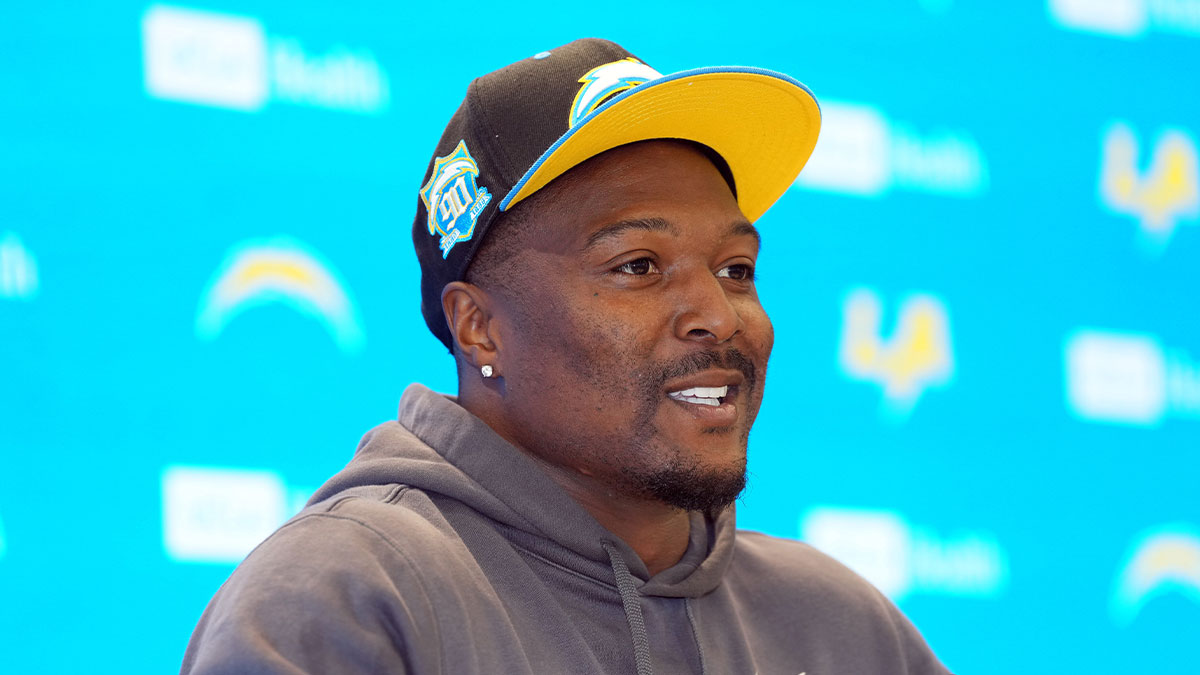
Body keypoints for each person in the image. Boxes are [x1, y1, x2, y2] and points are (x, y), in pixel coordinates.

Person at [181, 38, 951, 675]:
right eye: (638, 266)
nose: (718, 315)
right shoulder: (345, 595)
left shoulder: (843, 628)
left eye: (736, 270)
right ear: (480, 328)